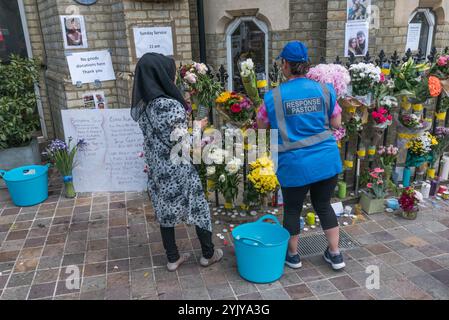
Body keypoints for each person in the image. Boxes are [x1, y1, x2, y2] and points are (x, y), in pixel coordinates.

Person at [256, 41, 345, 270]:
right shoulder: (325, 90)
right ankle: (335, 254)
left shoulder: (273, 97)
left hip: (294, 165)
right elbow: (336, 122)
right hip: (326, 161)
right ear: (306, 65)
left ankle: (294, 256)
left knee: (293, 209)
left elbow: (261, 125)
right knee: (323, 205)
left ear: (285, 64)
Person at [131, 53, 223, 271]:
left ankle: (172, 259)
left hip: (157, 168)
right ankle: (208, 255)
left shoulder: (145, 106)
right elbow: (184, 144)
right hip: (178, 169)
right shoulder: (169, 105)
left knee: (165, 211)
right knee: (199, 207)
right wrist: (199, 126)